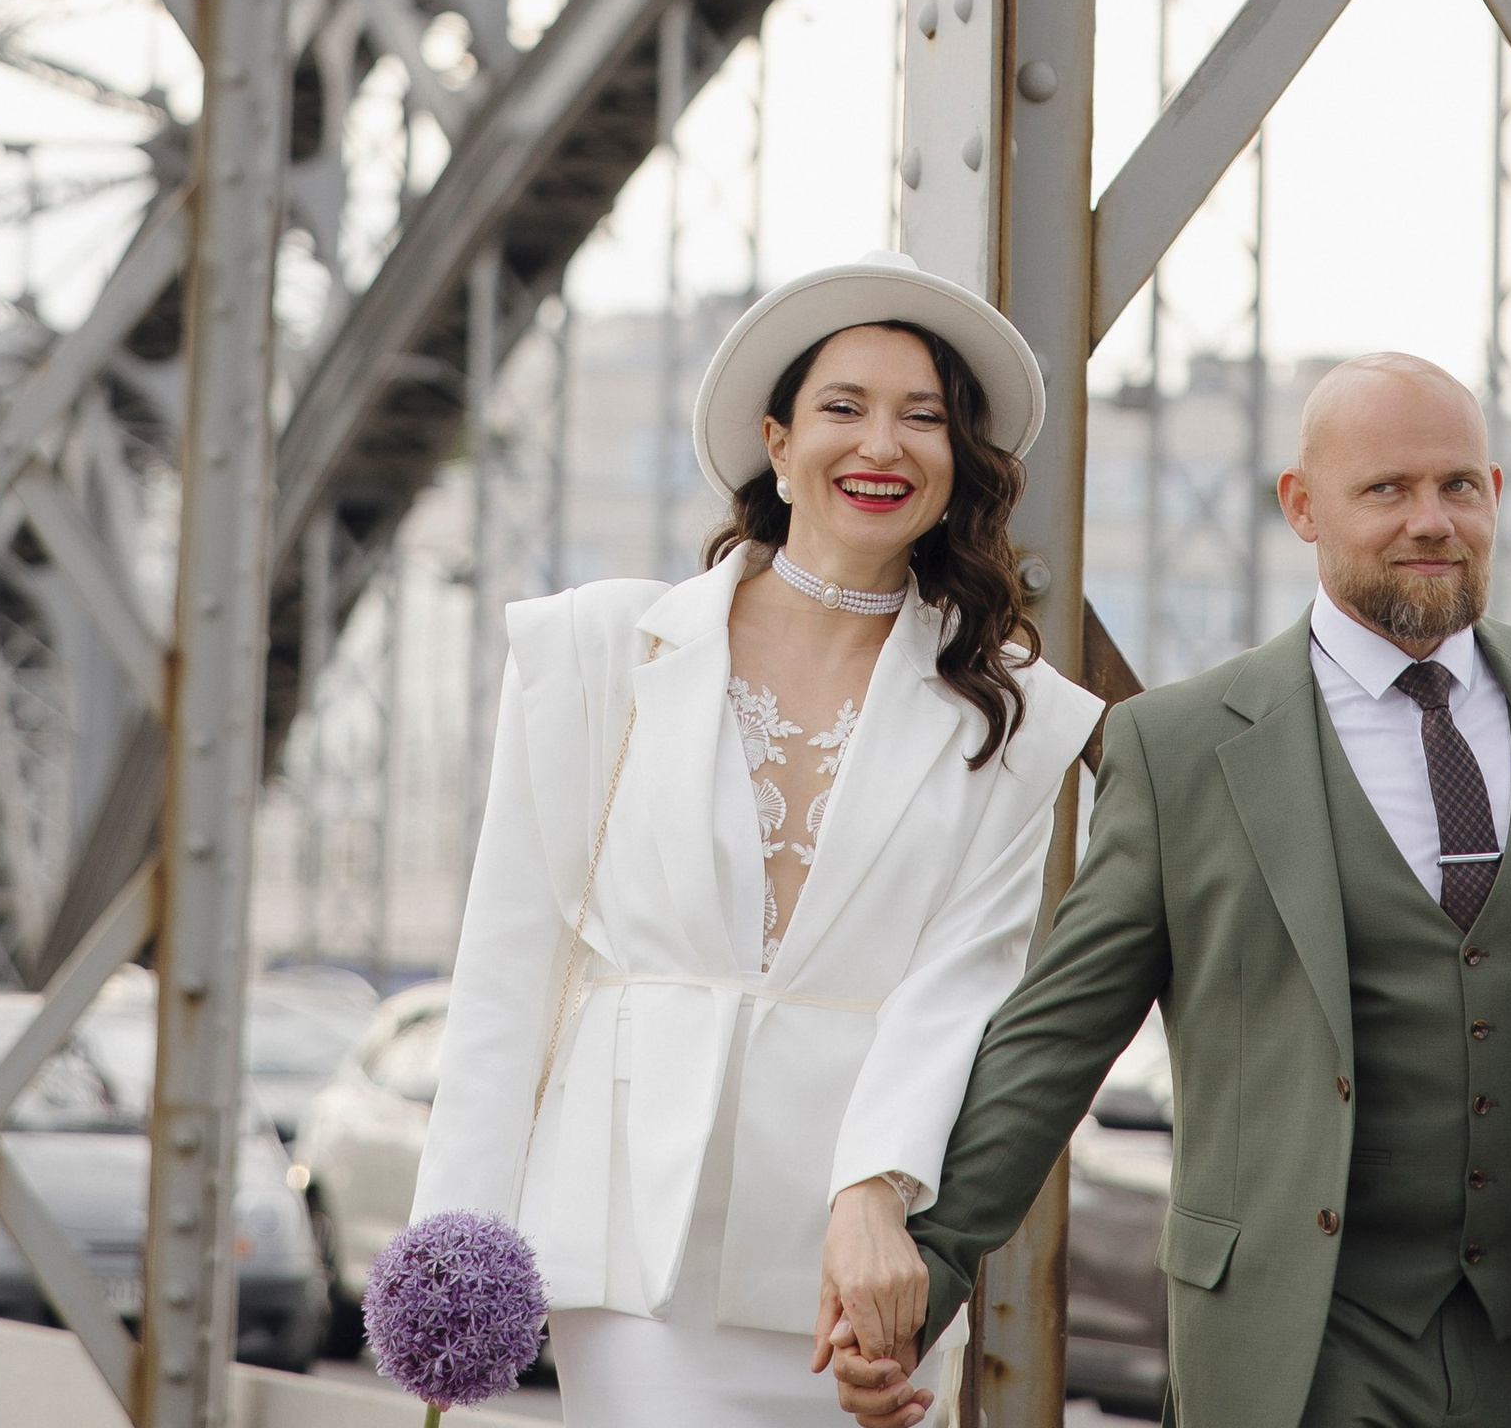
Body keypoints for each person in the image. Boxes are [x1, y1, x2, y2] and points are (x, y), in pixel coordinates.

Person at [828, 351, 1511, 1428]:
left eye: (1456, 485)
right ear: (1302, 508)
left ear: (1494, 496)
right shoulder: (1182, 750)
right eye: (1385, 490)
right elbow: (1054, 1041)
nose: (1430, 520)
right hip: (1296, 1346)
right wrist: (922, 1283)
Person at [409, 249, 1101, 1425]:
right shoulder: (601, 650)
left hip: (852, 1255)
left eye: (921, 419)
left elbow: (960, 988)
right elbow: (510, 956)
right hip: (624, 1232)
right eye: (844, 409)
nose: (881, 445)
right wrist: (453, 1248)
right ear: (776, 445)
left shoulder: (1017, 713)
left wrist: (880, 1200)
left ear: (958, 467)